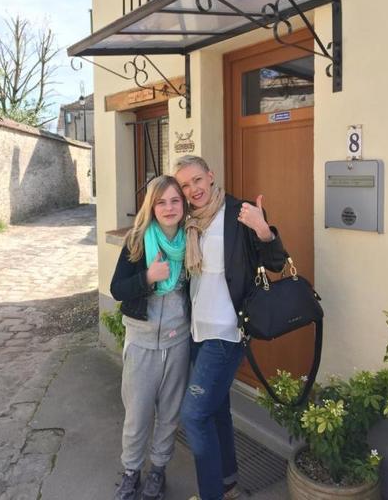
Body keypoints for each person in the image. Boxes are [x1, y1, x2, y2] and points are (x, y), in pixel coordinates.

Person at [173, 155, 287, 500]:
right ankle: (228, 484)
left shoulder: (240, 213)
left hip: (226, 332)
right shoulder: (188, 221)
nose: (193, 189)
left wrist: (263, 228)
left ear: (210, 176)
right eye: (185, 185)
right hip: (197, 331)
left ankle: (212, 495)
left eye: (197, 180)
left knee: (193, 416)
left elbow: (276, 263)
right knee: (216, 408)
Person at [110, 175, 190, 500]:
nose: (169, 208)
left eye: (175, 201)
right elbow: (117, 289)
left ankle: (157, 471)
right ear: (152, 207)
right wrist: (147, 277)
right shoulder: (138, 241)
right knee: (138, 413)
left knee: (169, 414)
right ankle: (131, 472)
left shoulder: (192, 241)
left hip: (178, 341)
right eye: (162, 202)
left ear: (183, 206)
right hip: (142, 341)